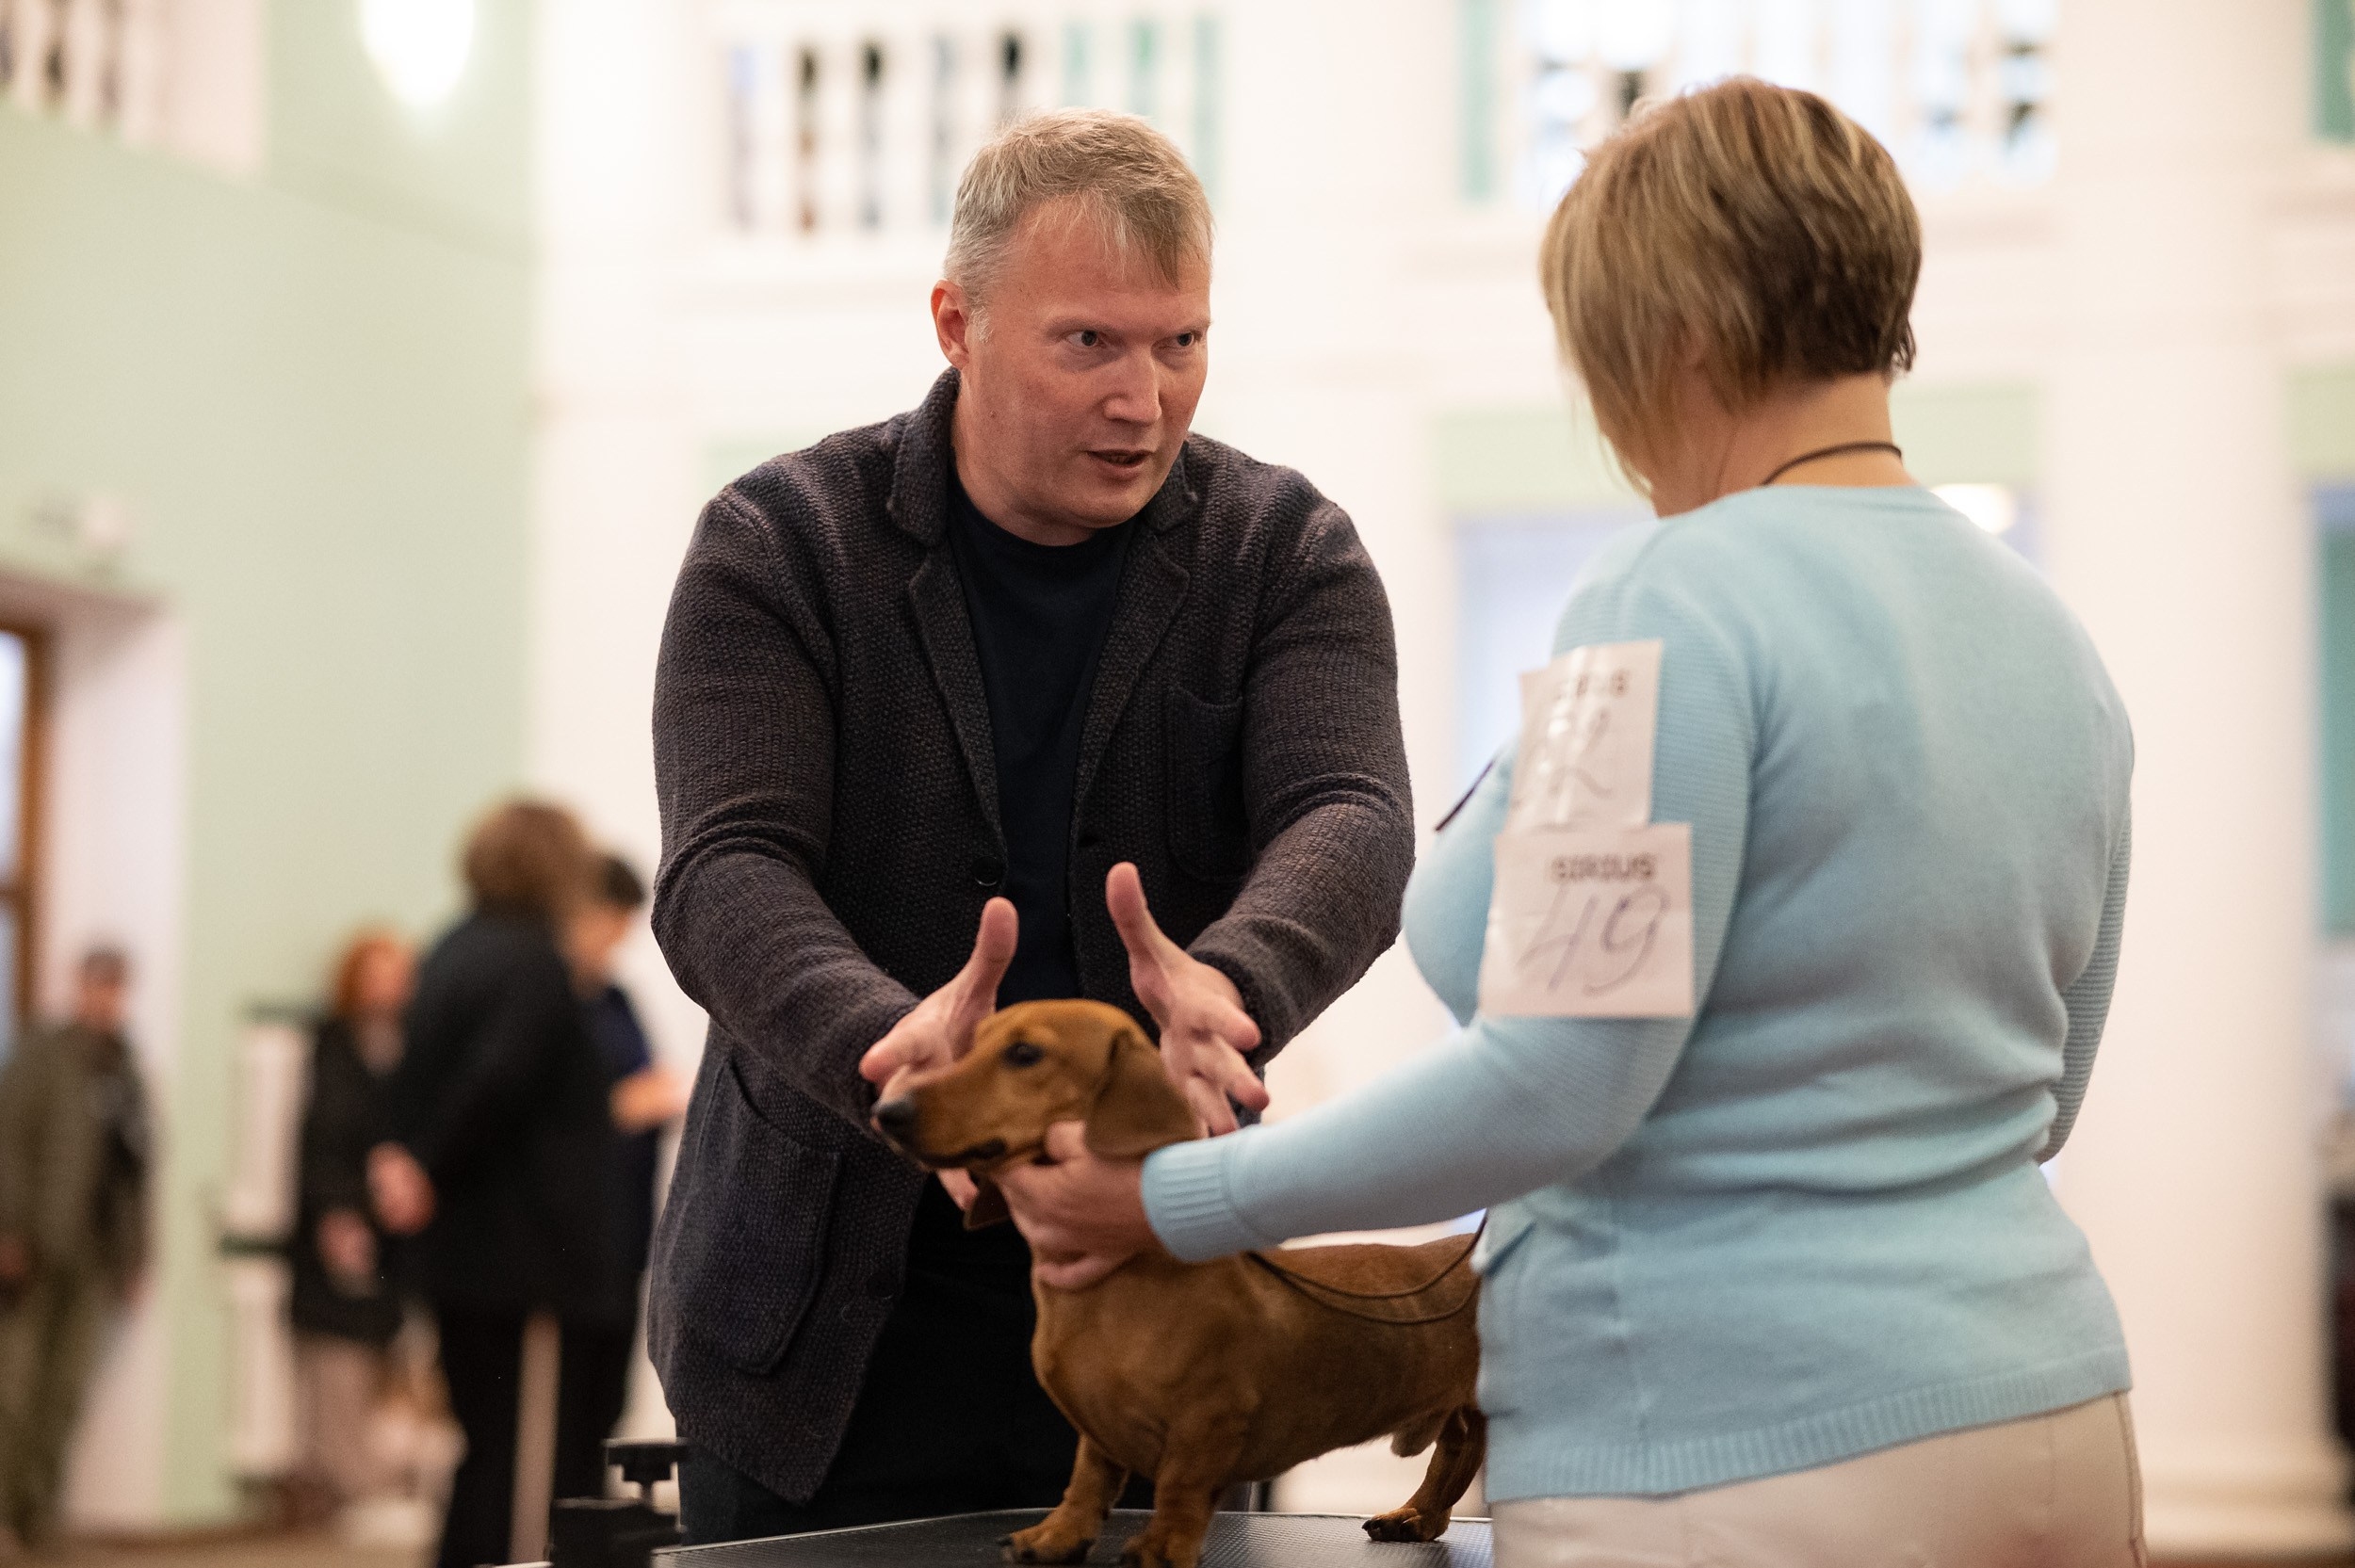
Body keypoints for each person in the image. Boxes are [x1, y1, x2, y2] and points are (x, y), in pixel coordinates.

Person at [1003, 78, 2144, 1568]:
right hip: (2052, 1416)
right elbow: (2046, 1089)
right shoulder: (2049, 635)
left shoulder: (1665, 601)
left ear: (1665, 335)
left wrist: (1179, 1197)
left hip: (1732, 1457)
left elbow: (1556, 1087)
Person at [648, 108, 1414, 1544]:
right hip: (820, 1342)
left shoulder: (1287, 553)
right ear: (957, 322)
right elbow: (723, 870)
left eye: (1180, 342)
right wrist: (875, 1036)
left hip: (1179, 1305)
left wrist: (1236, 984)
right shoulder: (777, 546)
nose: (1146, 398)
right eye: (1089, 345)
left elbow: (1352, 814)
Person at [372, 800, 617, 1568]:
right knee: (525, 1463)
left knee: (485, 1446)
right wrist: (429, 1162)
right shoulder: (532, 961)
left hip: (468, 1253)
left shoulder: (449, 947)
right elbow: (498, 1078)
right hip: (525, 1258)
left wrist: (411, 1159)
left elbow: (421, 1080)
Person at [0, 946, 151, 1559]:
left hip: (95, 1252)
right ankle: (5, 1509)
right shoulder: (41, 1056)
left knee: (65, 1390)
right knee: (16, 1388)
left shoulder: (125, 1067)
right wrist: (9, 1230)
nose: (104, 1000)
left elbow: (137, 1168)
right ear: (78, 986)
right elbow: (8, 1144)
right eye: (96, 987)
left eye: (114, 989)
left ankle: (40, 1511)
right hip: (36, 1248)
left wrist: (136, 1254)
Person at [556, 852, 688, 1503]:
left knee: (603, 1401)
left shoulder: (615, 997)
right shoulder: (552, 1000)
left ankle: (586, 1524)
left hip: (624, 1225)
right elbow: (550, 1112)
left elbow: (649, 1078)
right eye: (612, 920)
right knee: (563, 1407)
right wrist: (619, 1105)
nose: (618, 937)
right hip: (568, 1234)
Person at [287, 930, 415, 1522]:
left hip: (390, 1224)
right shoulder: (335, 1044)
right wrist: (337, 1212)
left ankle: (369, 1481)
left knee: (379, 1353)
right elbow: (322, 1139)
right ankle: (346, 1483)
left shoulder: (406, 1045)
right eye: (375, 971)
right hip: (338, 1217)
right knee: (337, 1354)